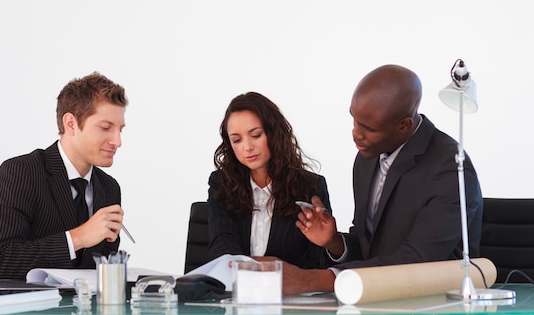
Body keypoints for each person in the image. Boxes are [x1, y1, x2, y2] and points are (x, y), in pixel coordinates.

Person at [280, 64, 483, 294]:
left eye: (368, 128)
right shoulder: (366, 158)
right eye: (354, 120)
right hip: (377, 299)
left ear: (403, 125)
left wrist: (315, 280)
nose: (355, 133)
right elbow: (370, 249)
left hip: (432, 303)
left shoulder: (450, 168)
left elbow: (419, 259)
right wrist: (335, 242)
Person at [0, 72, 129, 280]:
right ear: (70, 124)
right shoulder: (20, 173)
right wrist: (77, 238)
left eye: (120, 130)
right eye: (105, 128)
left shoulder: (109, 188)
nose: (117, 141)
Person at [207, 92, 333, 269]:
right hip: (234, 290)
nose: (247, 147)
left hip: (290, 293)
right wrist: (252, 269)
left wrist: (275, 272)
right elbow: (221, 244)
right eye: (236, 140)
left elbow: (317, 260)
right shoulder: (221, 183)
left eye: (256, 135)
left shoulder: (310, 187)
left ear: (274, 133)